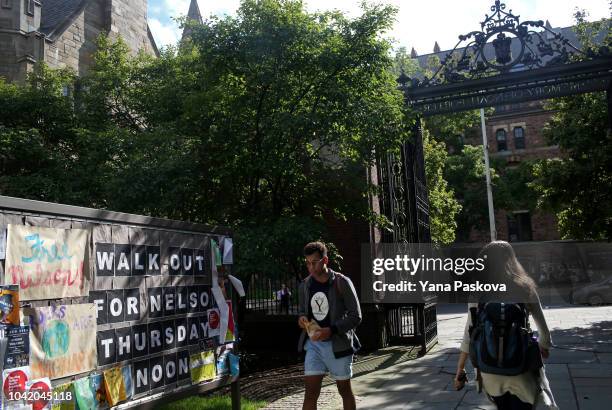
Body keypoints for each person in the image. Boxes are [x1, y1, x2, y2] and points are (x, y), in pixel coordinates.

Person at [454, 241, 557, 410]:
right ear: (511, 260)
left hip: (489, 369)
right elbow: (544, 332)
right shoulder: (525, 288)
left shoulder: (478, 291)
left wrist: (460, 368)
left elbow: (469, 333)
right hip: (521, 367)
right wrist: (543, 346)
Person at [297, 241, 362, 410]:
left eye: (314, 262)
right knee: (310, 393)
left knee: (344, 391)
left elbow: (356, 316)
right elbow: (303, 311)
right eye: (307, 262)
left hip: (338, 345)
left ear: (325, 261)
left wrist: (331, 330)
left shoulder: (342, 282)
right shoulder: (305, 285)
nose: (310, 267)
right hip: (314, 345)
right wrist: (302, 319)